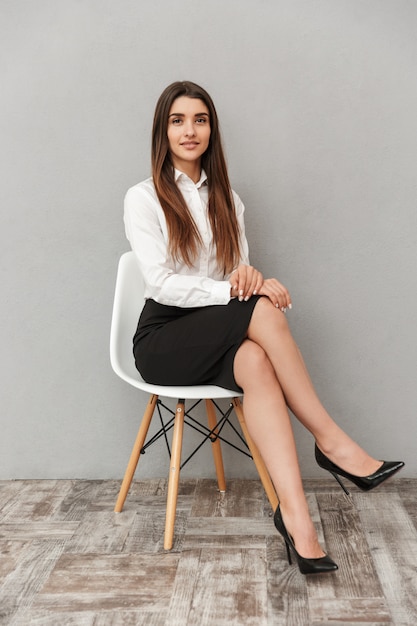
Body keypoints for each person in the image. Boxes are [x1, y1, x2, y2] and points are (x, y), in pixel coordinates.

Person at [123, 80, 404, 575]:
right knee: (263, 312)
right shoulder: (143, 198)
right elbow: (162, 285)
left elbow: (238, 272)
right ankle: (332, 442)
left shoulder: (228, 198)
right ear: (162, 131)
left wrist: (251, 281)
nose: (191, 130)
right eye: (178, 120)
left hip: (218, 328)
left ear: (212, 129)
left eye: (201, 119)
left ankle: (298, 523)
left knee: (255, 357)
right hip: (163, 337)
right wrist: (237, 293)